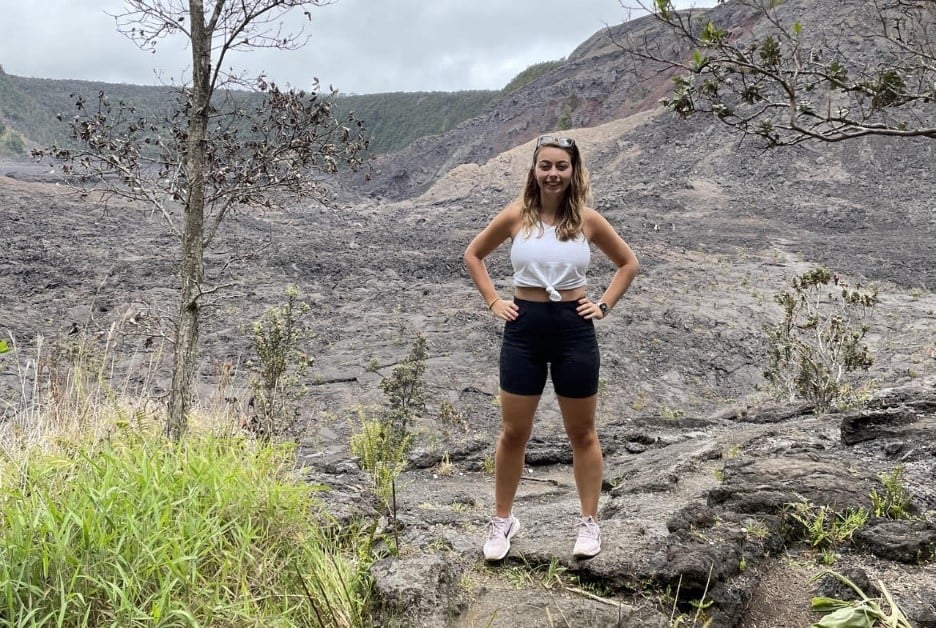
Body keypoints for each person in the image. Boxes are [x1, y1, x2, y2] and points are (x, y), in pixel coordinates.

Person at [463, 134, 639, 561]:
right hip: (524, 328)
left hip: (573, 329)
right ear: (535, 170)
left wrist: (602, 305)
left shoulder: (588, 221)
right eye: (546, 166)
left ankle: (589, 524)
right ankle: (503, 521)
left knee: (582, 432)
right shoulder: (514, 218)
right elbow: (473, 255)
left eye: (562, 166)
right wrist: (494, 300)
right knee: (513, 433)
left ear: (573, 171)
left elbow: (628, 263)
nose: (553, 174)